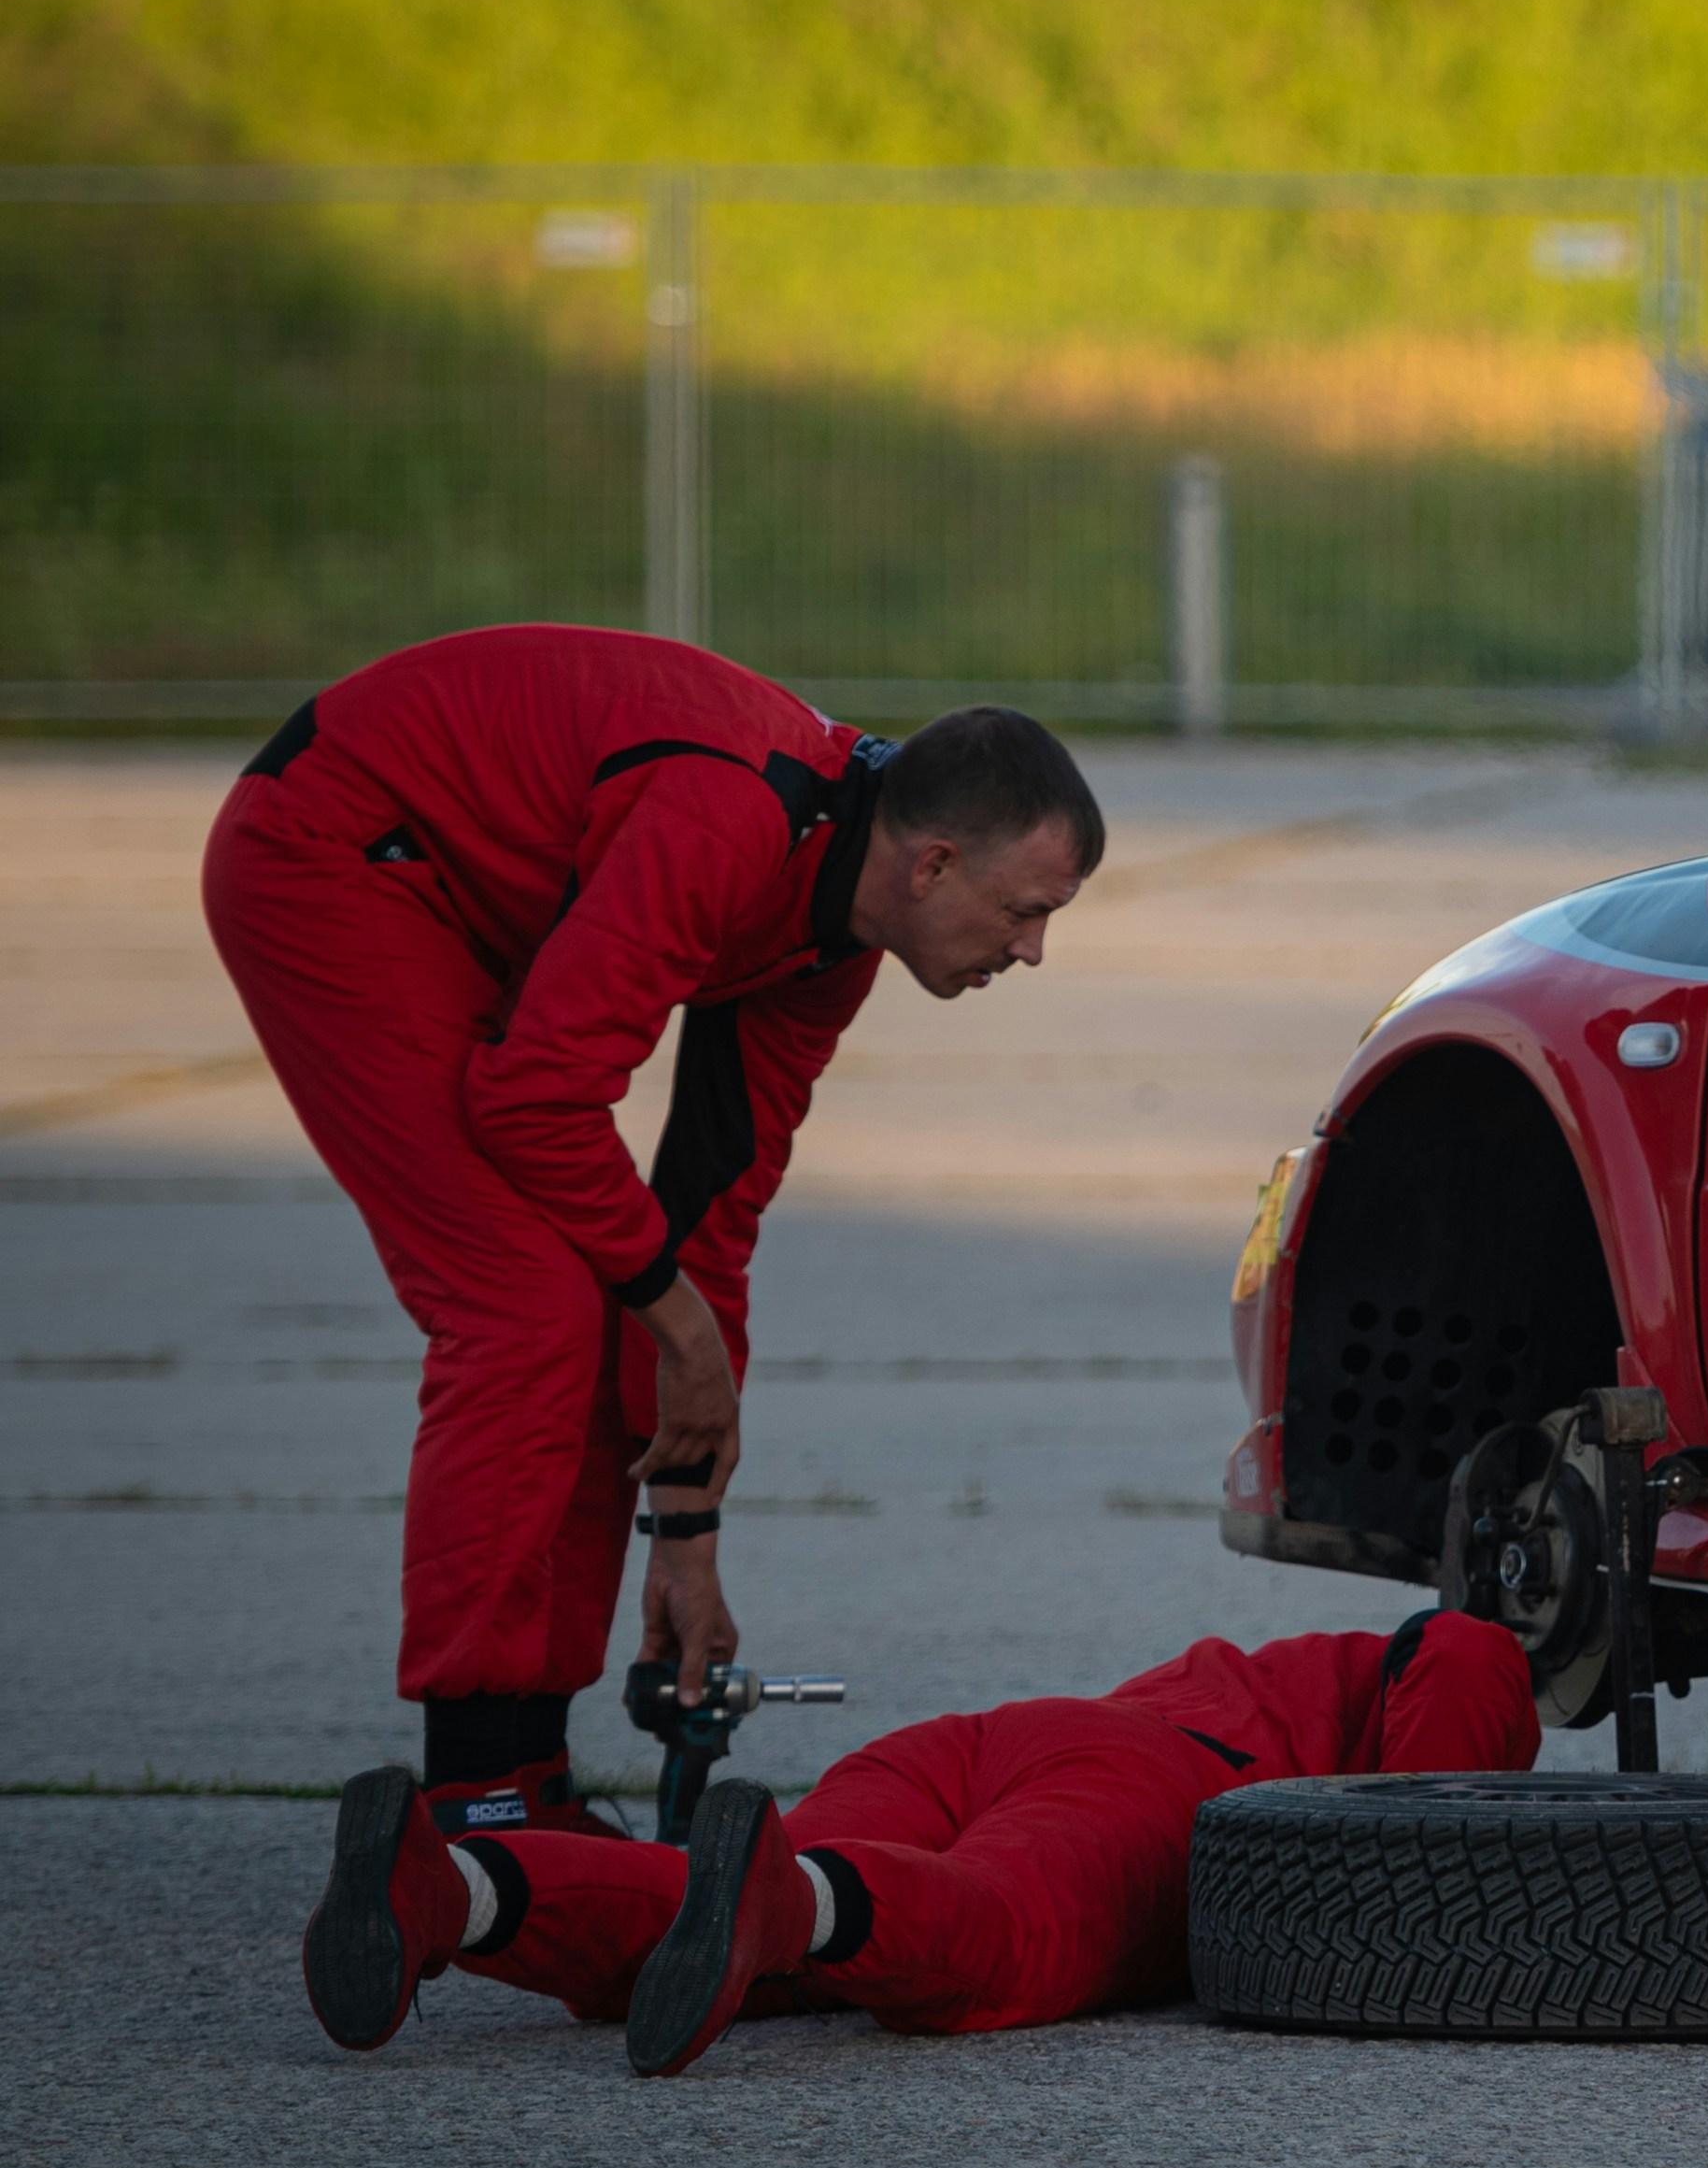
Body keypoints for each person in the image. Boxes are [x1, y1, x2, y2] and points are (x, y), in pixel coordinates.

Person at [202, 630, 1102, 1837]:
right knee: (523, 1305)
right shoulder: (731, 822)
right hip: (333, 849)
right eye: (1027, 911)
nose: (1035, 951)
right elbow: (532, 1099)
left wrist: (687, 1533)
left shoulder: (834, 939)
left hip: (466, 899)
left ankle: (529, 1780)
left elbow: (709, 1223)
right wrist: (673, 1321)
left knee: (607, 1288)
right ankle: (481, 1791)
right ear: (935, 863)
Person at [304, 1611, 1544, 2075]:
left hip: (975, 1743)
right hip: (1159, 1786)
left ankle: (449, 1891)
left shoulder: (1264, 1659)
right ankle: (796, 1908)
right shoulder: (1457, 1653)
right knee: (993, 1929)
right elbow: (1410, 1825)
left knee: (701, 1903)